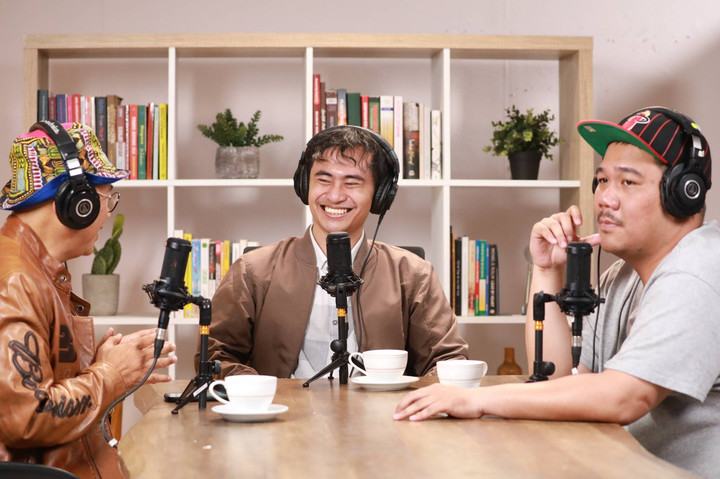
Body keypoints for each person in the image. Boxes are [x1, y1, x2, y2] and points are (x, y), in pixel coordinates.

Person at [393, 107, 720, 477]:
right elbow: (558, 378)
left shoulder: (699, 270)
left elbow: (626, 397)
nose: (605, 198)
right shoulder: (623, 276)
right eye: (602, 180)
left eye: (628, 182)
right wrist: (547, 269)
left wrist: (477, 399)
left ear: (684, 192)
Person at [202, 125, 468, 379]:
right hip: (282, 411)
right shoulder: (252, 270)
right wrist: (257, 388)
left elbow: (448, 361)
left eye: (352, 183)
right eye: (324, 180)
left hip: (381, 411)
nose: (335, 195)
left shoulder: (413, 274)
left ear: (379, 196)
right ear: (305, 185)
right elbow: (216, 356)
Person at [0, 121, 177, 479]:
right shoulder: (17, 281)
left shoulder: (36, 269)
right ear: (76, 202)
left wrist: (97, 367)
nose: (108, 213)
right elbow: (26, 417)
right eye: (107, 197)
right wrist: (111, 375)